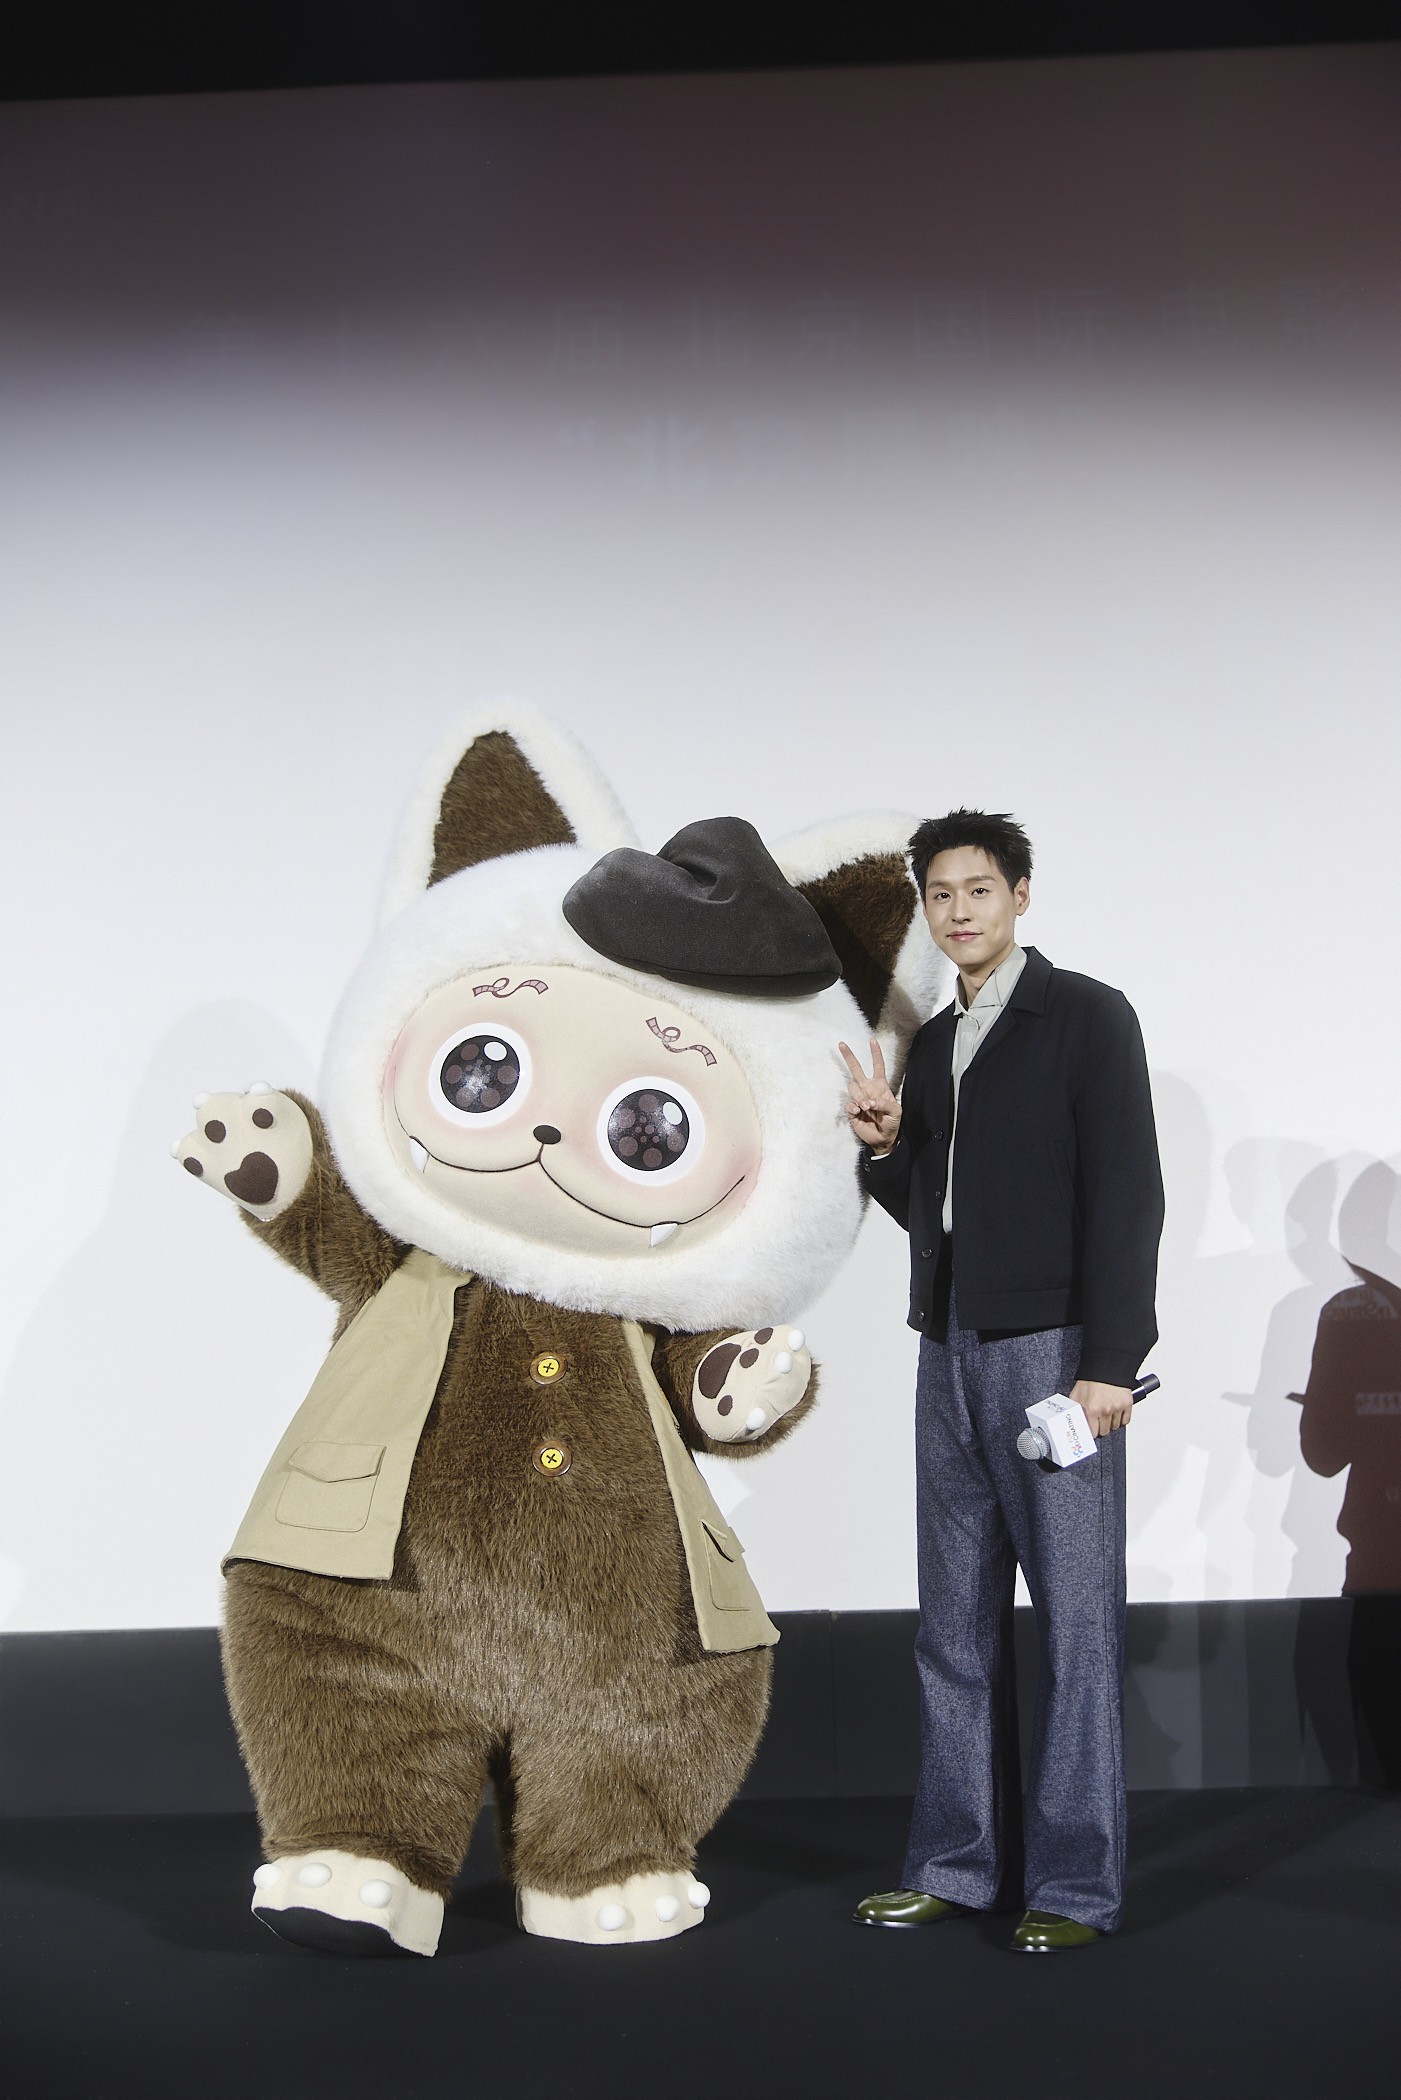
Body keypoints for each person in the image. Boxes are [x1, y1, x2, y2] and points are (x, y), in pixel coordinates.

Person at [839, 809, 1163, 1953]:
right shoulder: (933, 1044)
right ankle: (955, 1865)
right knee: (953, 1629)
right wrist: (888, 1145)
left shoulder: (1085, 1017)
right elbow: (933, 1213)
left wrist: (1110, 1365)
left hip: (1054, 1357)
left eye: (978, 889)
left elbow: (1128, 1196)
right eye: (940, 894)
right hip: (949, 1351)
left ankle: (1073, 1887)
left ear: (1021, 895)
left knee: (1076, 1630)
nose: (959, 910)